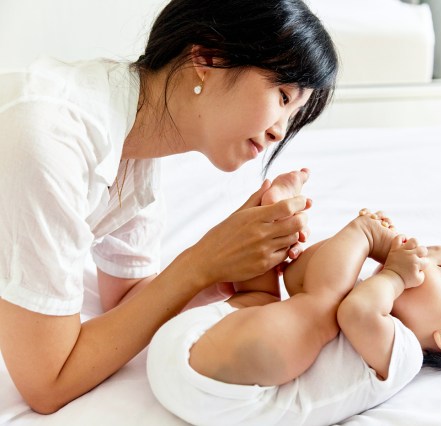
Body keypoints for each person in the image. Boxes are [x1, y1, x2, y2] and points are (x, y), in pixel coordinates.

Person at [0, 0, 338, 414]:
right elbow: (46, 383)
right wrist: (200, 261)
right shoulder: (50, 140)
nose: (279, 131)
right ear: (209, 56)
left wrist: (226, 268)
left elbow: (126, 301)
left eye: (295, 114)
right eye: (283, 96)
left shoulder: (136, 144)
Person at [146, 175, 441, 425]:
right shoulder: (360, 293)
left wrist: (374, 249)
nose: (422, 255)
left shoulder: (404, 352)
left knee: (317, 307)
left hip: (226, 389)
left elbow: (352, 312)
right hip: (208, 341)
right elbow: (297, 278)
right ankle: (271, 216)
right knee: (268, 292)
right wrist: (350, 248)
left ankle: (272, 218)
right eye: (430, 248)